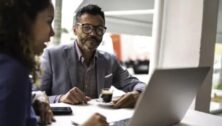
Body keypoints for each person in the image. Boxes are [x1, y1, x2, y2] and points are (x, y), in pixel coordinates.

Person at [0, 0, 108, 126]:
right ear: (24, 22)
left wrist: (35, 97)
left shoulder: (8, 65)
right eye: (48, 21)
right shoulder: (13, 71)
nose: (52, 32)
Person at [40, 4, 145, 108]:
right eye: (87, 28)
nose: (93, 33)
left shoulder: (109, 61)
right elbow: (34, 95)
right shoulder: (52, 56)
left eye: (99, 29)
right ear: (75, 30)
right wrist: (60, 98)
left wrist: (137, 93)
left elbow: (138, 84)